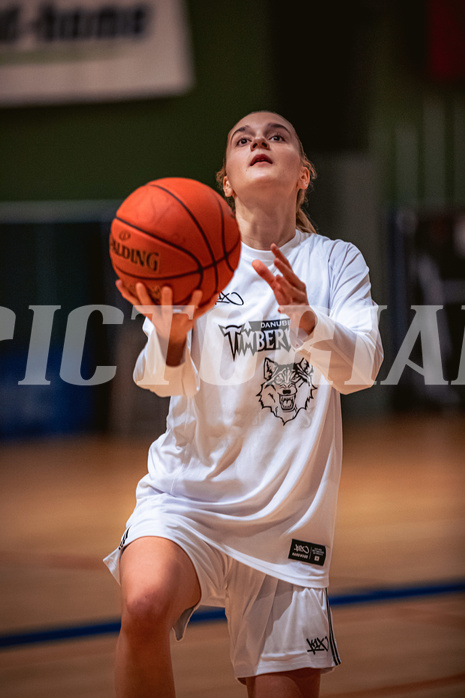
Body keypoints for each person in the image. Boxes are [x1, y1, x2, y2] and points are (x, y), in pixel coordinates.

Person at [104, 110, 384, 698]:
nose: (260, 141)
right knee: (146, 600)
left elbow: (362, 370)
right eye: (243, 139)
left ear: (303, 173)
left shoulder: (335, 261)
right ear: (225, 180)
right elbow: (160, 381)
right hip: (189, 502)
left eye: (276, 136)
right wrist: (173, 337)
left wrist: (307, 318)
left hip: (289, 524)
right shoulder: (190, 259)